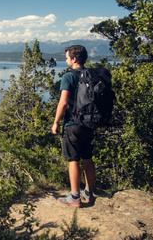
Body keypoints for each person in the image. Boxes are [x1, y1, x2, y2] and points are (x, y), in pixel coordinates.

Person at [51, 45, 96, 207]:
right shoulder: (91, 75)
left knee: (73, 160)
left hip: (73, 124)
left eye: (67, 57)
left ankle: (75, 196)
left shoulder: (69, 77)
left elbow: (63, 103)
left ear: (74, 59)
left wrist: (56, 122)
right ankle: (89, 192)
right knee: (88, 158)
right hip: (90, 123)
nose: (66, 60)